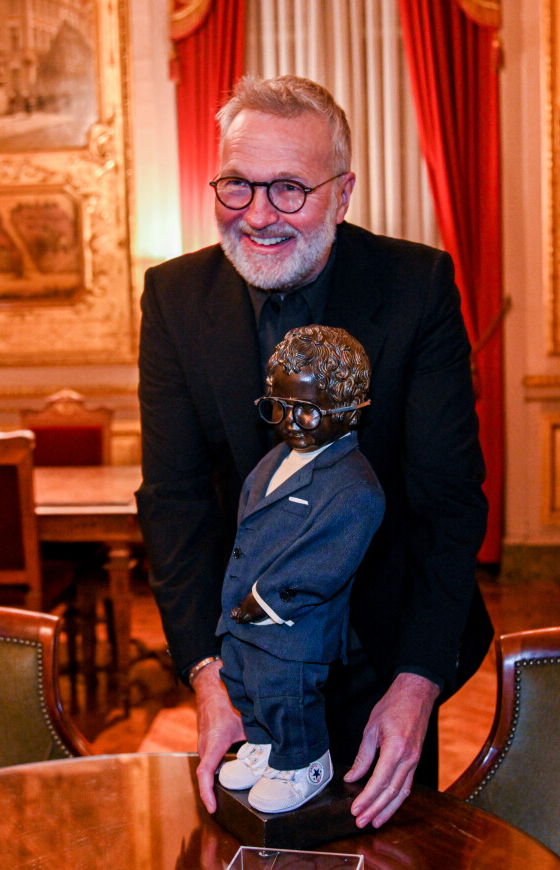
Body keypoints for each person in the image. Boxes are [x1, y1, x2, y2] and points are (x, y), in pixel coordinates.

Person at [136, 74, 493, 829]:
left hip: (384, 650)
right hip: (243, 660)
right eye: (238, 185)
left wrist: (417, 683)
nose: (258, 215)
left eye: (290, 189)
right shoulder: (173, 297)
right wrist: (208, 676)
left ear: (343, 193)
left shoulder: (415, 285)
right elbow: (176, 504)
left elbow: (447, 502)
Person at [217, 325, 385, 813]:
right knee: (243, 682)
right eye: (279, 407)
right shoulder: (274, 459)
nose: (291, 422)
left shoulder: (355, 486)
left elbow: (325, 560)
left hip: (294, 627)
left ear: (350, 409)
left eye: (307, 411)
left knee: (285, 695)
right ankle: (264, 747)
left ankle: (303, 764)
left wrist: (268, 600)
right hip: (243, 614)